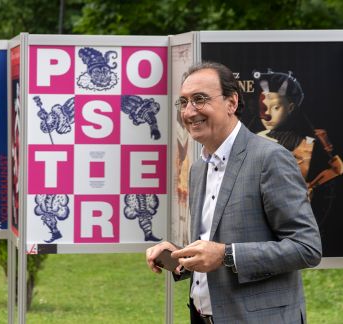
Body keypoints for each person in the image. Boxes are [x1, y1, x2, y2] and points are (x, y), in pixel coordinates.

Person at [145, 62, 322, 323]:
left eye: (200, 99)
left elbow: (306, 248)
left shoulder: (270, 158)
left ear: (231, 102)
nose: (189, 111)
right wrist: (180, 256)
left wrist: (225, 255)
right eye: (183, 102)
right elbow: (214, 250)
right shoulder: (198, 169)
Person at [251, 69, 343, 199]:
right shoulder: (254, 140)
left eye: (276, 107)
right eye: (263, 108)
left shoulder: (308, 142)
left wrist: (311, 186)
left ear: (291, 108)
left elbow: (338, 168)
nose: (267, 115)